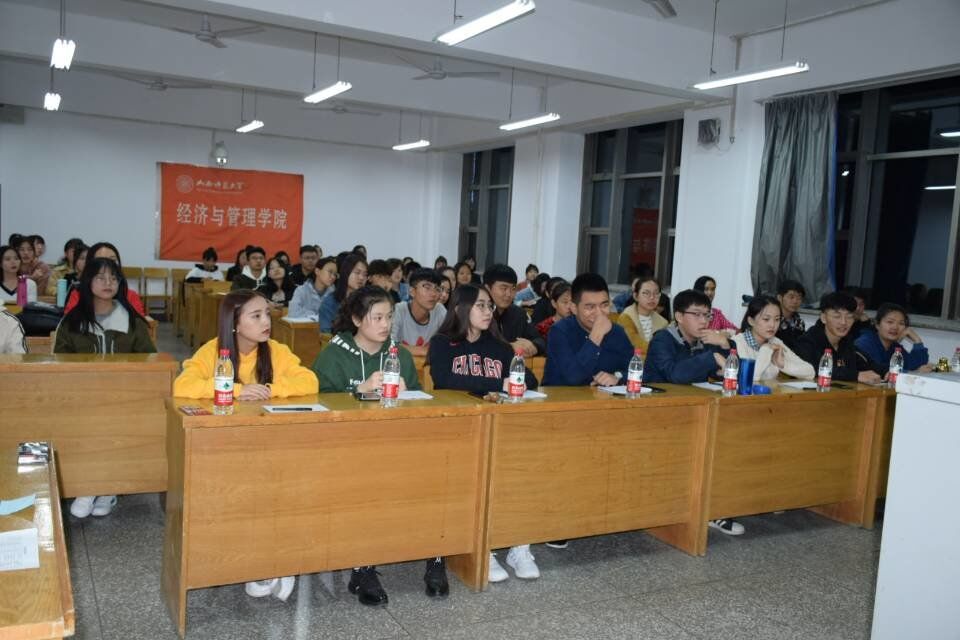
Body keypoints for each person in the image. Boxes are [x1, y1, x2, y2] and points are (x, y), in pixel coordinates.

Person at [174, 289, 318, 602]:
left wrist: (268, 389)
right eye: (256, 316)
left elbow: (309, 381)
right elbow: (183, 385)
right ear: (235, 323)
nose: (267, 321)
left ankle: (274, 559)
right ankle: (248, 559)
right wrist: (238, 391)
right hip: (227, 448)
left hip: (269, 447)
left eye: (267, 314)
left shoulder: (276, 350)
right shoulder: (213, 351)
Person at [311, 286, 419, 606]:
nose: (386, 325)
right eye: (377, 317)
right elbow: (317, 407)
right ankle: (363, 566)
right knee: (365, 483)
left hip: (393, 446)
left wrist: (408, 396)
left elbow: (421, 406)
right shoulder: (333, 354)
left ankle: (436, 555)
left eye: (389, 317)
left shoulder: (400, 356)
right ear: (357, 320)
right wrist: (358, 391)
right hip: (342, 449)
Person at [427, 284, 541, 583]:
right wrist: (494, 384)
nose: (488, 311)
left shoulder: (498, 346)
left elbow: (530, 380)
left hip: (499, 430)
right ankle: (483, 547)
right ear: (460, 309)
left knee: (520, 471)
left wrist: (514, 378)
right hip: (458, 432)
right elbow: (445, 379)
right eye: (481, 305)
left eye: (490, 306)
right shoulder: (442, 342)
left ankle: (518, 544)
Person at [55, 257, 156, 519]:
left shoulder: (132, 321)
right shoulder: (72, 322)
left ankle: (103, 489)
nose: (108, 282)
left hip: (125, 399)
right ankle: (91, 486)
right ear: (88, 282)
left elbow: (151, 363)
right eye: (100, 277)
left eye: (113, 278)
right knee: (87, 424)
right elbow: (58, 365)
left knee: (116, 424)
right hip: (81, 398)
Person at [644, 289, 744, 535]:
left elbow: (733, 373)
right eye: (696, 314)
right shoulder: (662, 339)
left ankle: (711, 507)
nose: (703, 321)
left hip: (695, 413)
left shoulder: (707, 340)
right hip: (657, 415)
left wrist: (726, 345)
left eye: (707, 315)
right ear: (679, 316)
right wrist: (713, 357)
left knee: (727, 440)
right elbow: (675, 375)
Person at [543, 273, 633, 387]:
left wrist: (618, 377)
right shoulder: (559, 332)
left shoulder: (617, 332)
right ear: (574, 308)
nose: (599, 314)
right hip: (561, 397)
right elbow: (574, 378)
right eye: (590, 307)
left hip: (603, 397)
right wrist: (596, 335)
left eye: (604, 305)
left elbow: (638, 371)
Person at [795, 292, 884, 384]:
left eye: (849, 316)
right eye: (837, 316)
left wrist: (886, 372)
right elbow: (811, 369)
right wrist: (855, 375)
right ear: (824, 318)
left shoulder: (847, 342)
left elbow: (867, 363)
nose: (843, 322)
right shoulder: (807, 342)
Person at [732, 295, 814, 382]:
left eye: (777, 319)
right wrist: (765, 350)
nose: (772, 325)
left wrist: (782, 365)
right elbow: (748, 379)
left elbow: (810, 372)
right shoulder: (737, 342)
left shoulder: (775, 342)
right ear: (751, 321)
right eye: (766, 319)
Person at [63, 242, 145, 315]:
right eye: (100, 261)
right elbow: (70, 324)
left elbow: (139, 325)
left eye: (112, 260)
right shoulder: (77, 296)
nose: (107, 266)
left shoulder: (130, 296)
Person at [484, 264, 545, 357]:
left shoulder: (519, 313)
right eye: (503, 288)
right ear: (488, 288)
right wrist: (509, 347)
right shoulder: (477, 315)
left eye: (513, 288)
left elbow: (539, 340)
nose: (509, 294)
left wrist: (534, 346)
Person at [854, 303, 932, 374]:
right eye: (890, 322)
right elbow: (878, 369)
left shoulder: (894, 346)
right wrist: (912, 372)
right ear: (877, 324)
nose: (895, 327)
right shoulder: (864, 343)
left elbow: (917, 364)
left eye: (901, 323)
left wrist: (917, 340)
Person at [391, 268, 447, 357]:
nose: (433, 294)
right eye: (427, 287)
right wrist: (424, 350)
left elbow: (451, 342)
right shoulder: (399, 310)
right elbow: (388, 345)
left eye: (437, 289)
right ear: (412, 291)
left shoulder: (439, 310)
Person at [616, 276, 669, 355]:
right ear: (636, 296)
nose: (652, 297)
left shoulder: (663, 323)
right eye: (646, 293)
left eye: (656, 293)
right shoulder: (626, 317)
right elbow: (633, 345)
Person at [318, 253, 367, 333]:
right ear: (345, 273)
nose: (361, 278)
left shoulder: (368, 301)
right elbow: (326, 334)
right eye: (357, 272)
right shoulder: (330, 302)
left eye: (365, 274)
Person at [776, 279, 807, 351]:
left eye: (799, 298)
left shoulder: (800, 322)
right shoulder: (773, 320)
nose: (795, 301)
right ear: (780, 298)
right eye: (791, 297)